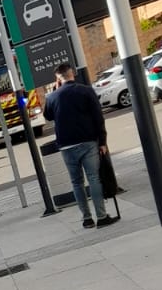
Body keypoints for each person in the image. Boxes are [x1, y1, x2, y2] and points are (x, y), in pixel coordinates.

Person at [43, 63, 111, 228]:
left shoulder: (52, 97)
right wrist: (102, 141)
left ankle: (86, 218)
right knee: (94, 178)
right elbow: (98, 117)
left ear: (57, 79)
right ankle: (101, 216)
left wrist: (54, 91)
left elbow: (48, 115)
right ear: (72, 73)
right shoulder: (85, 91)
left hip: (66, 145)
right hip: (88, 141)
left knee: (76, 182)